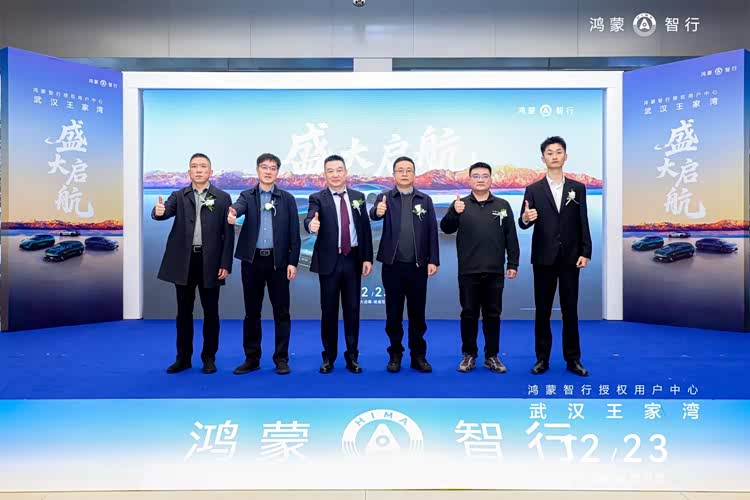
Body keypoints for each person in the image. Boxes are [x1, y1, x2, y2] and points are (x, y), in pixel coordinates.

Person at [152, 153, 234, 374]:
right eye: (194, 166)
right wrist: (157, 212)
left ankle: (209, 358)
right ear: (189, 172)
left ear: (210, 172)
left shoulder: (223, 197)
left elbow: (228, 234)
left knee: (211, 313)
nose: (199, 170)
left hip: (211, 262)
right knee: (184, 313)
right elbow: (163, 212)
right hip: (184, 262)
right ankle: (183, 358)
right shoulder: (179, 195)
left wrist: (225, 263)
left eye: (203, 166)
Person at [518, 136, 592, 377]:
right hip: (543, 258)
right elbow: (523, 221)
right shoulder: (533, 189)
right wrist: (525, 218)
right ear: (543, 158)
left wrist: (585, 251)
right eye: (549, 153)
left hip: (570, 258)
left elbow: (583, 221)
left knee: (570, 310)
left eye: (559, 152)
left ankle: (573, 359)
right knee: (543, 310)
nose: (554, 156)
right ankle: (542, 359)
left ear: (565, 156)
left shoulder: (577, 188)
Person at [440, 162, 519, 373]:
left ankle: (491, 356)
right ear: (469, 180)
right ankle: (469, 355)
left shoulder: (502, 205)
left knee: (493, 315)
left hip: (495, 271)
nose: (481, 179)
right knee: (469, 314)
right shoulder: (461, 204)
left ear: (491, 179)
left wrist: (513, 263)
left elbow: (511, 236)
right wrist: (453, 212)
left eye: (485, 176)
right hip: (468, 271)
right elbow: (446, 228)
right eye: (476, 176)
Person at [227, 153, 301, 375]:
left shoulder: (287, 199)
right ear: (257, 170)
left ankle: (281, 359)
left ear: (277, 172)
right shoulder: (247, 196)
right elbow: (238, 208)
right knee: (252, 312)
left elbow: (295, 234)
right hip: (252, 262)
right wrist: (232, 213)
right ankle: (252, 359)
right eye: (264, 167)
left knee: (282, 313)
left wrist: (293, 262)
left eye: (272, 168)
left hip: (279, 263)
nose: (268, 171)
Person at [303, 154, 374, 374]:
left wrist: (367, 258)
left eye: (339, 170)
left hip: (353, 259)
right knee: (329, 311)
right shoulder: (317, 198)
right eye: (330, 171)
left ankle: (352, 357)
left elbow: (364, 229)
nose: (335, 175)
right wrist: (311, 225)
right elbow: (310, 218)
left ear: (346, 172)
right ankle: (329, 357)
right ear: (325, 175)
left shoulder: (358, 197)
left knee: (353, 311)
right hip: (329, 262)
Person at [369, 156, 439, 373]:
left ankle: (418, 356)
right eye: (400, 170)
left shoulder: (425, 200)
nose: (405, 173)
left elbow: (432, 231)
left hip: (418, 266)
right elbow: (374, 214)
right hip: (393, 266)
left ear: (414, 174)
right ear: (394, 175)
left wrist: (433, 260)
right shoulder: (385, 197)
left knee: (417, 314)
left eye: (409, 170)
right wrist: (377, 211)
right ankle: (395, 354)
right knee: (394, 313)